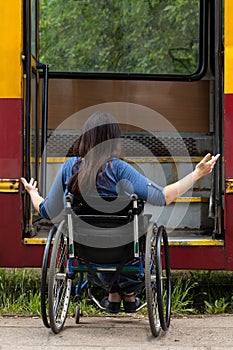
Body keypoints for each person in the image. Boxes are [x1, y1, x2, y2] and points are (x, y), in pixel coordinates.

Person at [21, 111, 220, 313]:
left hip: (85, 250)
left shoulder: (69, 168)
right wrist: (196, 174)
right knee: (135, 234)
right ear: (114, 141)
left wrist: (33, 193)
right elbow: (163, 197)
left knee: (97, 238)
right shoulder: (120, 169)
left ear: (85, 138)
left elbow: (47, 211)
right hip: (123, 249)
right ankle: (128, 293)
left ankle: (114, 294)